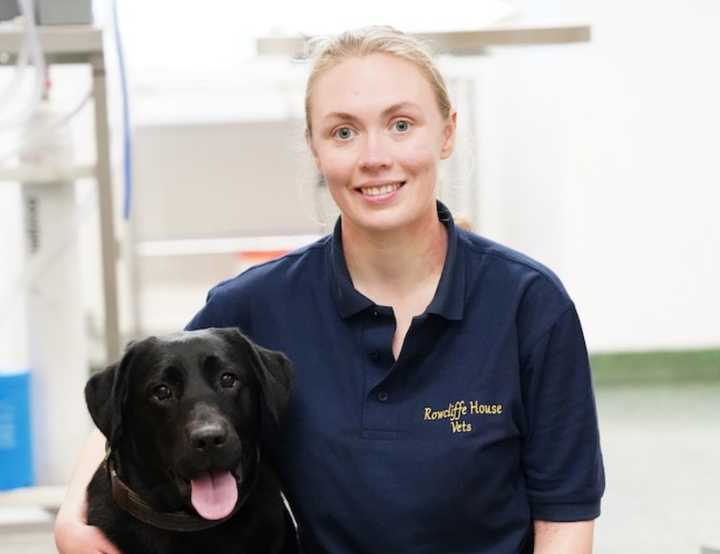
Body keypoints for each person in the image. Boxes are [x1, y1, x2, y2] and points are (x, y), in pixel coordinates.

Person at [55, 25, 605, 554]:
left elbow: (565, 521)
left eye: (401, 124)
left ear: (447, 132)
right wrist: (71, 516)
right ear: (315, 148)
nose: (373, 157)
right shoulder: (256, 305)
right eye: (343, 131)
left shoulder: (529, 306)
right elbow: (146, 393)